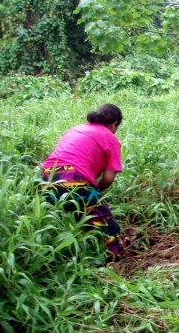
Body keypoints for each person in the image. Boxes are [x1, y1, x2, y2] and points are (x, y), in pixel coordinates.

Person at [40, 104, 124, 263]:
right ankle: (114, 275)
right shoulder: (110, 137)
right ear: (115, 124)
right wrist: (95, 191)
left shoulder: (76, 129)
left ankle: (68, 262)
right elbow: (108, 178)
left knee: (71, 221)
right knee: (108, 228)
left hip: (45, 176)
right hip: (73, 177)